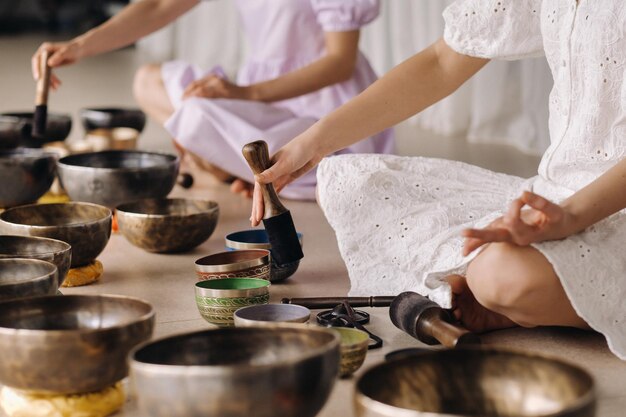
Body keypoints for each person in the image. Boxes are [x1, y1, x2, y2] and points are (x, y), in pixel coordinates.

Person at [249, 0, 626, 360]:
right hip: (551, 196)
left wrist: (572, 218)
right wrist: (313, 144)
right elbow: (442, 61)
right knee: (355, 184)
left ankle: (529, 304)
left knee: (500, 276)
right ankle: (539, 299)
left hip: (611, 205)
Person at [31, 0, 394, 199]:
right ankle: (232, 164)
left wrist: (241, 93)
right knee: (149, 81)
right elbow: (158, 6)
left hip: (323, 113)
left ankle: (226, 164)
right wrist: (80, 45)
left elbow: (339, 63)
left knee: (197, 118)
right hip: (258, 99)